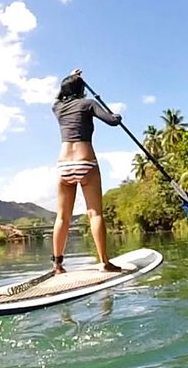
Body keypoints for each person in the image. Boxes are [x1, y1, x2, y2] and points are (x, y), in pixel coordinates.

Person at [50, 68, 122, 274]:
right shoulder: (88, 103)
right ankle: (105, 263)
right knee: (95, 213)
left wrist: (71, 78)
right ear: (82, 90)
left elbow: (59, 96)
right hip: (85, 162)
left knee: (62, 217)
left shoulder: (57, 108)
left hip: (63, 166)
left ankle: (57, 265)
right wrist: (117, 116)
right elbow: (112, 121)